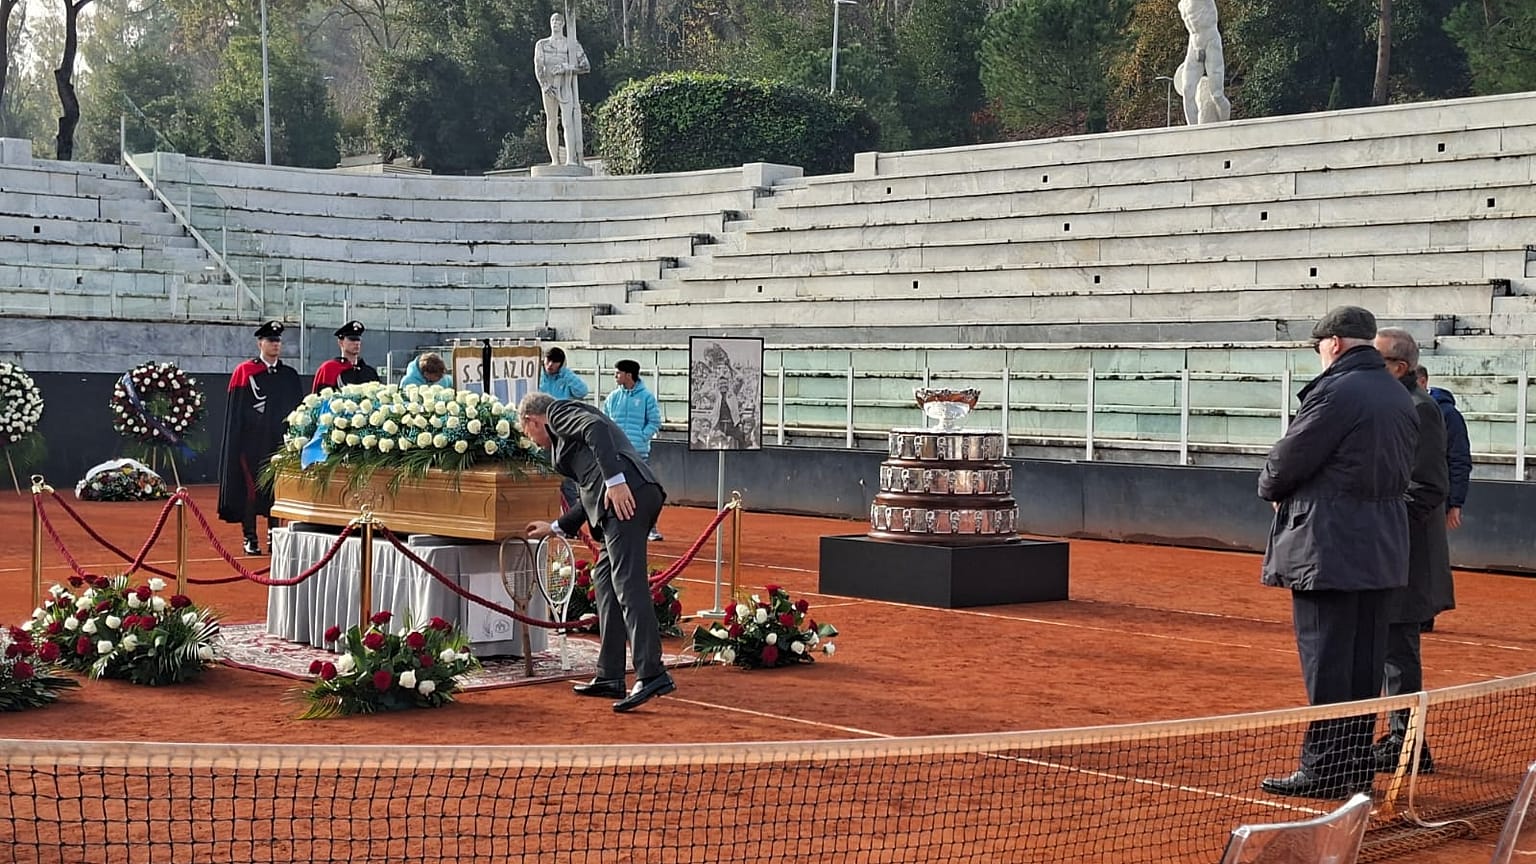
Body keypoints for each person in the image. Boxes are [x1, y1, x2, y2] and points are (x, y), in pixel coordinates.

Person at [1257, 306, 1417, 799]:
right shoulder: (1398, 393)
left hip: (1329, 545)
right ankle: (1354, 768)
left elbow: (1287, 460)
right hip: (1382, 546)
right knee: (1364, 666)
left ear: (1333, 343)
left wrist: (1270, 487)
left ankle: (1324, 769)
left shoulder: (1335, 390)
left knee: (1326, 661)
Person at [518, 392, 672, 713]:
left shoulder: (558, 412)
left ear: (531, 420)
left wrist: (615, 482)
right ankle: (610, 674)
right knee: (605, 581)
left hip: (627, 496)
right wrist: (556, 526)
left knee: (628, 584)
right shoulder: (564, 437)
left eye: (526, 431)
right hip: (626, 498)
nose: (530, 439)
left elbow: (596, 429)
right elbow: (589, 490)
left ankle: (652, 672)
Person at [1373, 329, 1452, 776]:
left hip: (1406, 552)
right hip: (1393, 548)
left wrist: (1380, 525)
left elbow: (1426, 487)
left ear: (1399, 367)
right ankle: (1402, 739)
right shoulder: (1397, 404)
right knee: (1390, 650)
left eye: (1377, 359)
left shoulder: (1419, 408)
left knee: (1398, 651)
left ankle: (1409, 745)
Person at [218, 321, 304, 556]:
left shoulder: (289, 375)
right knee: (250, 490)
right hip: (251, 444)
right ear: (260, 343)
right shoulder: (245, 372)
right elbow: (236, 412)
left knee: (276, 490)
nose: (275, 344)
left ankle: (273, 535)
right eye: (270, 340)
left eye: (278, 341)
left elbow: (298, 410)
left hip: (279, 443)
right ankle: (250, 537)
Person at [603, 359, 664, 541]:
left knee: (642, 492)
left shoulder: (646, 397)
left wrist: (641, 437)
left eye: (618, 373)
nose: (615, 376)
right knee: (613, 490)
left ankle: (650, 528)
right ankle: (611, 528)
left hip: (638, 454)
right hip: (616, 454)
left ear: (628, 375)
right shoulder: (612, 397)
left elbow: (655, 421)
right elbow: (604, 420)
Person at [1417, 366, 1471, 533]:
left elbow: (1459, 458)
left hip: (1436, 498)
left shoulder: (1448, 414)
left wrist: (1455, 503)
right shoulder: (1403, 407)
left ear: (1423, 382)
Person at [533, 12, 590, 166]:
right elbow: (538, 66)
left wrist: (567, 68)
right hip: (549, 86)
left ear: (563, 24)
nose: (555, 24)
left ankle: (570, 159)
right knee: (551, 121)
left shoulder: (571, 44)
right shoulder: (542, 44)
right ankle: (555, 160)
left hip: (565, 85)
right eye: (553, 20)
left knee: (567, 121)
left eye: (558, 21)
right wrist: (545, 85)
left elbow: (586, 66)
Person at [1174, 0, 1232, 124]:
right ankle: (1193, 129)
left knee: (1217, 95)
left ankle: (1224, 126)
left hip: (1211, 41)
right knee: (1187, 90)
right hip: (1194, 44)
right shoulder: (1181, 4)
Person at [311, 321, 380, 393]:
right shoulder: (328, 369)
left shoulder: (369, 372)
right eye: (352, 339)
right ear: (341, 342)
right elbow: (321, 397)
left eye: (358, 339)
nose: (357, 343)